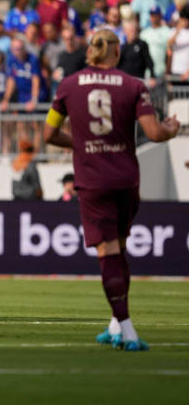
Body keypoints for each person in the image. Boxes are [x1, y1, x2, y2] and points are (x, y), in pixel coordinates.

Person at [44, 29, 180, 351]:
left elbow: (48, 133)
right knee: (119, 251)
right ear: (117, 53)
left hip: (93, 181)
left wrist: (80, 143)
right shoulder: (134, 86)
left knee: (107, 255)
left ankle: (128, 332)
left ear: (91, 51)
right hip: (125, 179)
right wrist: (171, 129)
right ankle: (115, 324)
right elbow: (154, 133)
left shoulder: (68, 86)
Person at [140, 6, 172, 80]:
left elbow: (170, 53)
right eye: (152, 15)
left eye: (156, 15)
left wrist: (167, 70)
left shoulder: (167, 32)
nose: (154, 18)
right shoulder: (144, 33)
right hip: (146, 72)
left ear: (160, 15)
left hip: (161, 71)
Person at [118, 20, 155, 85]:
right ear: (125, 32)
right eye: (131, 31)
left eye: (135, 30)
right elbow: (118, 63)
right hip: (124, 80)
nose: (134, 32)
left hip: (138, 79)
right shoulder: (122, 46)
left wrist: (152, 76)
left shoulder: (142, 44)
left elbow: (149, 62)